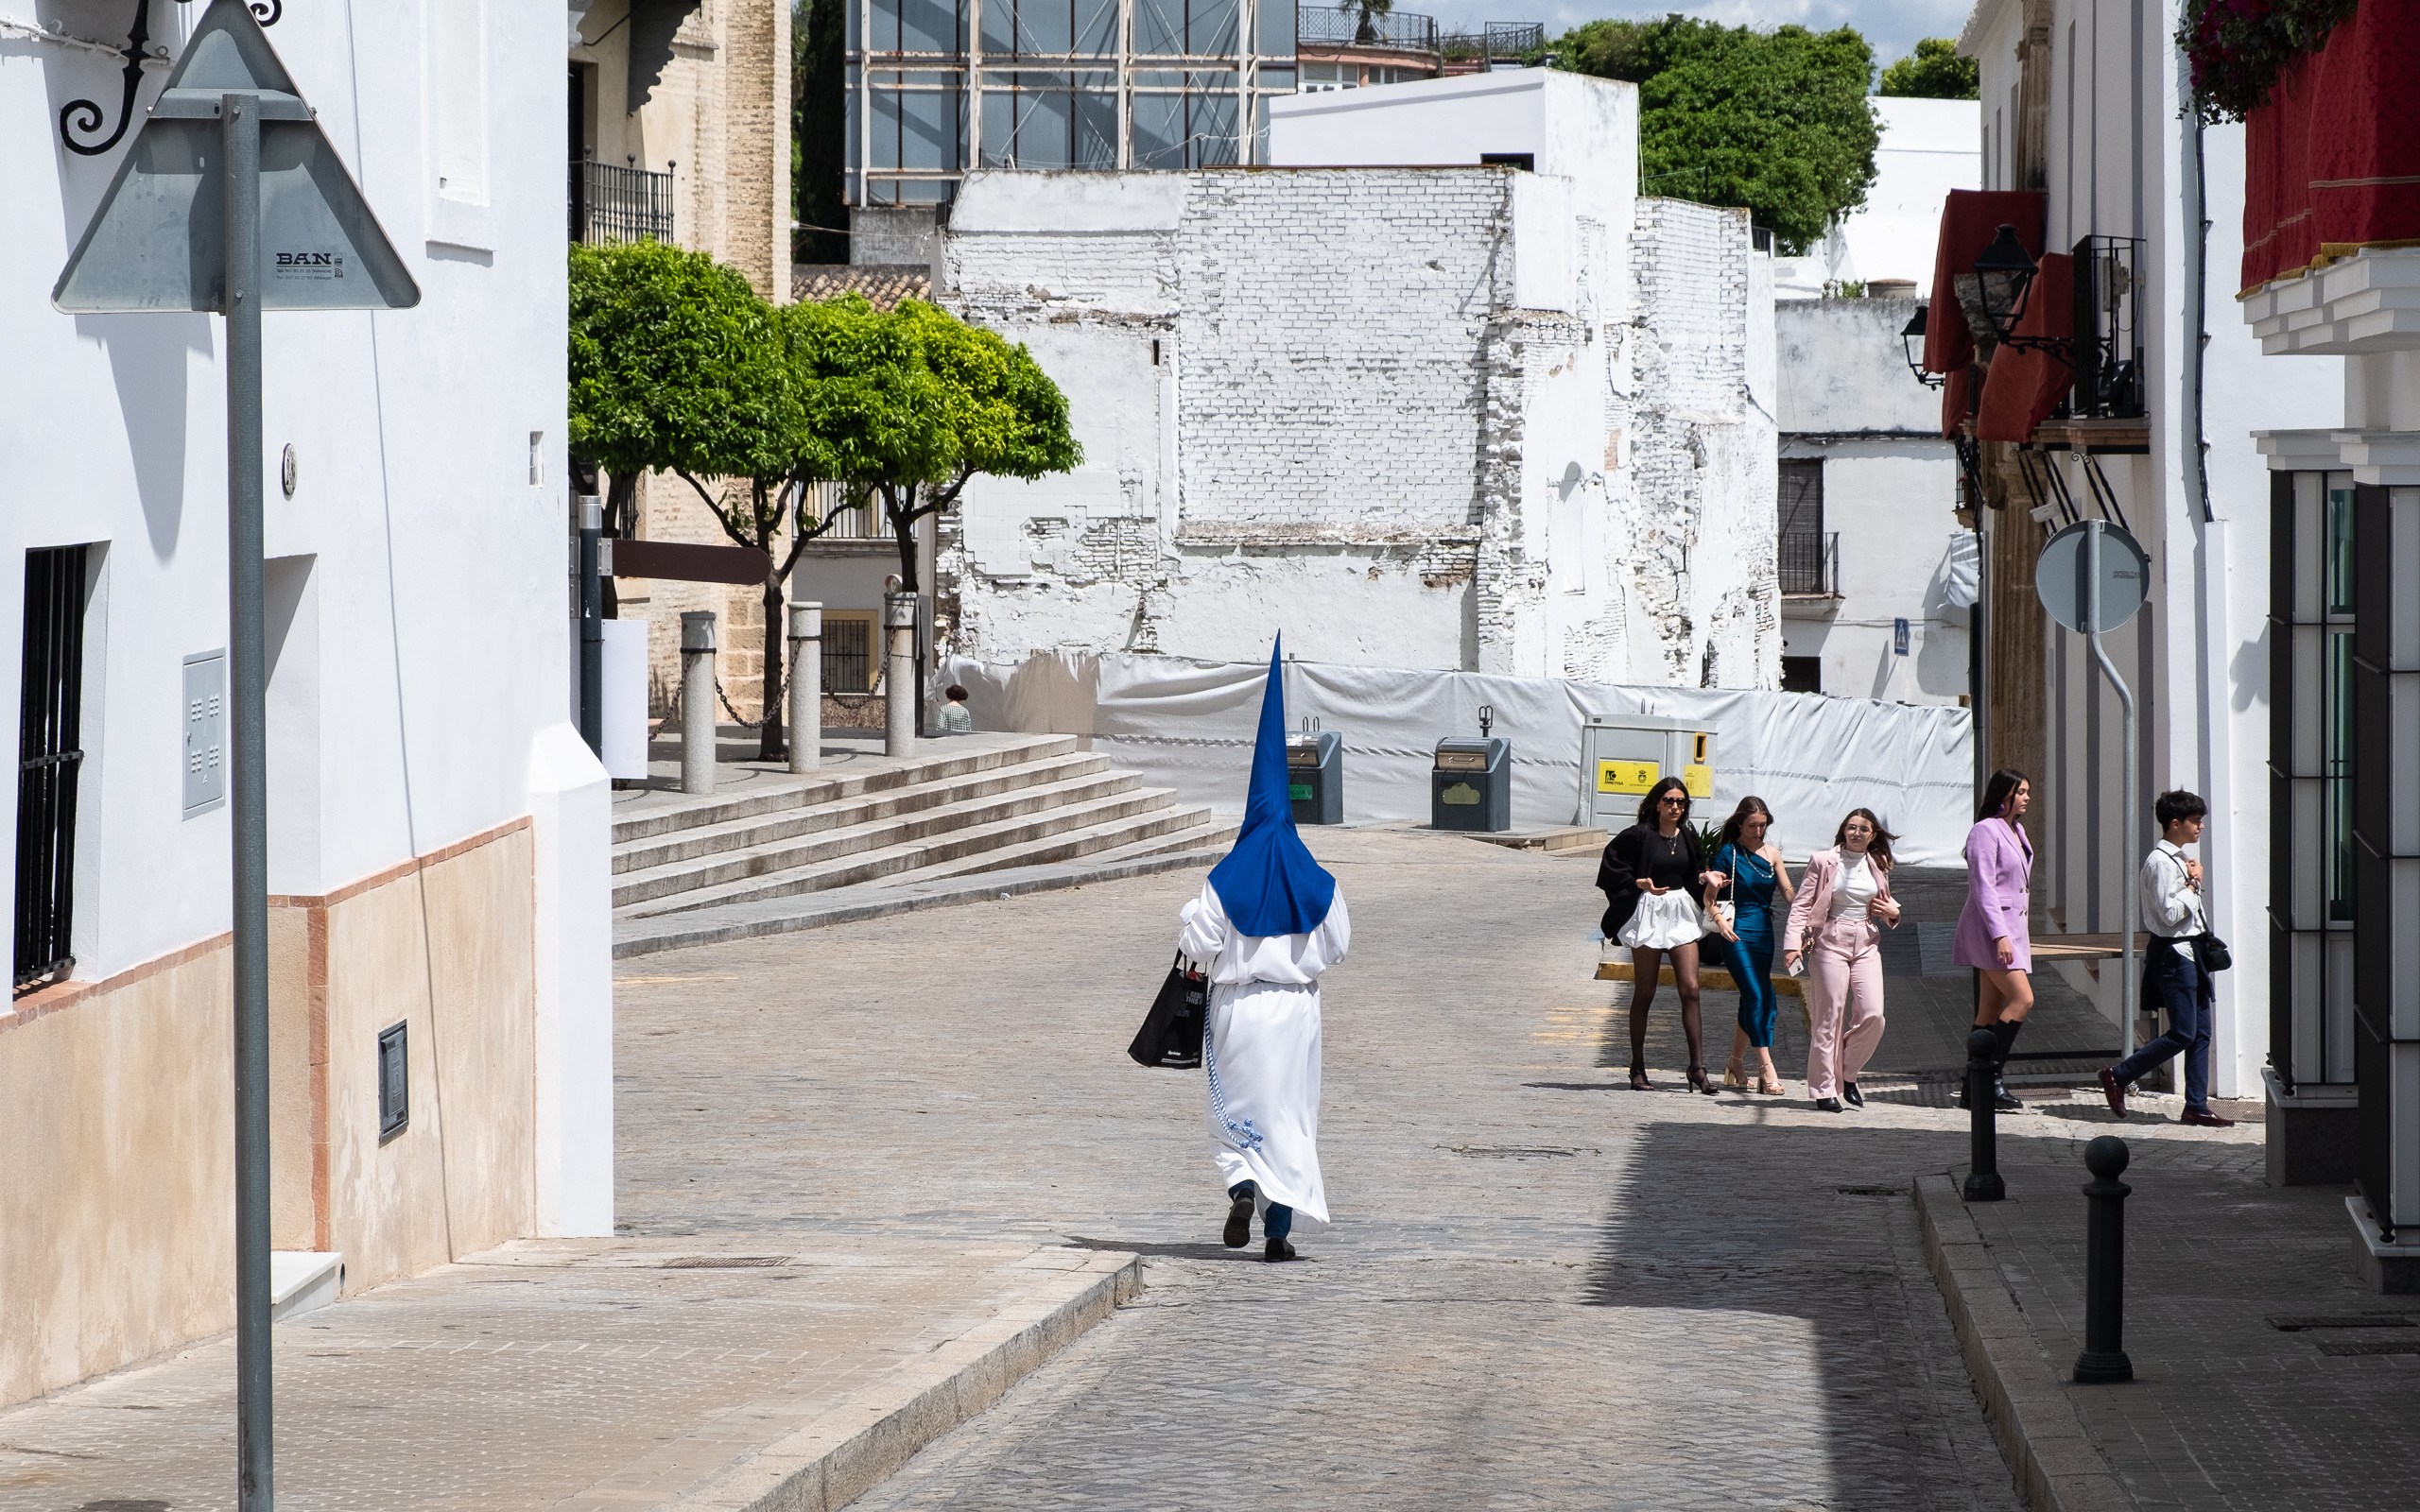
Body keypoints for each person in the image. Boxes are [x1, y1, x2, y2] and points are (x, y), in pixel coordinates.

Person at [1177, 640, 1349, 1263]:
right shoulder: (1318, 880)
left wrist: (1189, 921)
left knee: (1237, 1115)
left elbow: (1201, 944)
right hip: (1296, 1011)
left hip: (1238, 1009)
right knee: (1289, 1118)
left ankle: (1241, 1184)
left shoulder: (1225, 877)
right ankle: (1278, 1232)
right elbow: (1338, 944)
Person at [2100, 791, 2237, 1127]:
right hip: (2174, 955)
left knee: (2201, 1032)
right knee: (2183, 1032)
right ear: (2175, 824)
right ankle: (2117, 1076)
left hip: (2192, 953)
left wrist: (2190, 880)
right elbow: (2170, 913)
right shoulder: (2160, 863)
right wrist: (2194, 883)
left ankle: (2196, 1106)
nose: (2200, 826)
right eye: (2195, 821)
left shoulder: (2178, 858)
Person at [1598, 777, 1729, 1094]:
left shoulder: (1685, 836)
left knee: (1691, 988)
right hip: (1650, 913)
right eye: (1669, 800)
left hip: (1680, 912)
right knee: (1646, 991)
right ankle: (1637, 1068)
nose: (1675, 807)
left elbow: (1690, 875)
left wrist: (1708, 878)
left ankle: (1697, 1068)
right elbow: (1611, 867)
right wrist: (1641, 884)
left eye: (1681, 802)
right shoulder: (1640, 836)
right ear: (1657, 803)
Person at [1783, 809, 1902, 1111]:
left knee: (1874, 1014)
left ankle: (1847, 1073)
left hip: (1866, 943)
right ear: (1844, 831)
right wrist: (1792, 945)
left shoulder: (1879, 863)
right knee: (1829, 1019)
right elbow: (1801, 905)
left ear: (1872, 835)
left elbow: (1887, 905)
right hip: (1830, 942)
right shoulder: (1823, 861)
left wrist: (1894, 913)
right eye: (1851, 827)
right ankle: (1824, 1089)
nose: (1857, 833)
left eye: (1864, 829)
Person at [1956, 768, 2035, 1113]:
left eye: (2028, 792)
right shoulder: (1985, 830)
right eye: (2022, 792)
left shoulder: (2016, 829)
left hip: (2012, 930)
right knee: (2022, 1000)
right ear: (2004, 794)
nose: (2028, 797)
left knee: (1988, 1011)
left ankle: (1973, 1089)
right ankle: (1991, 1080)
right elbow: (1983, 885)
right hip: (1994, 931)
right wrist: (2000, 935)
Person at [1709, 797, 1795, 1096]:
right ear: (1739, 824)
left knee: (1751, 998)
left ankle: (1734, 1063)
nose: (1759, 831)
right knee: (1760, 995)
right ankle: (1766, 1068)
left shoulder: (1772, 854)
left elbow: (1786, 889)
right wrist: (1720, 921)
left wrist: (1807, 909)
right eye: (1752, 826)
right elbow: (1709, 898)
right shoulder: (1727, 854)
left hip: (1763, 933)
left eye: (1763, 825)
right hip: (1735, 932)